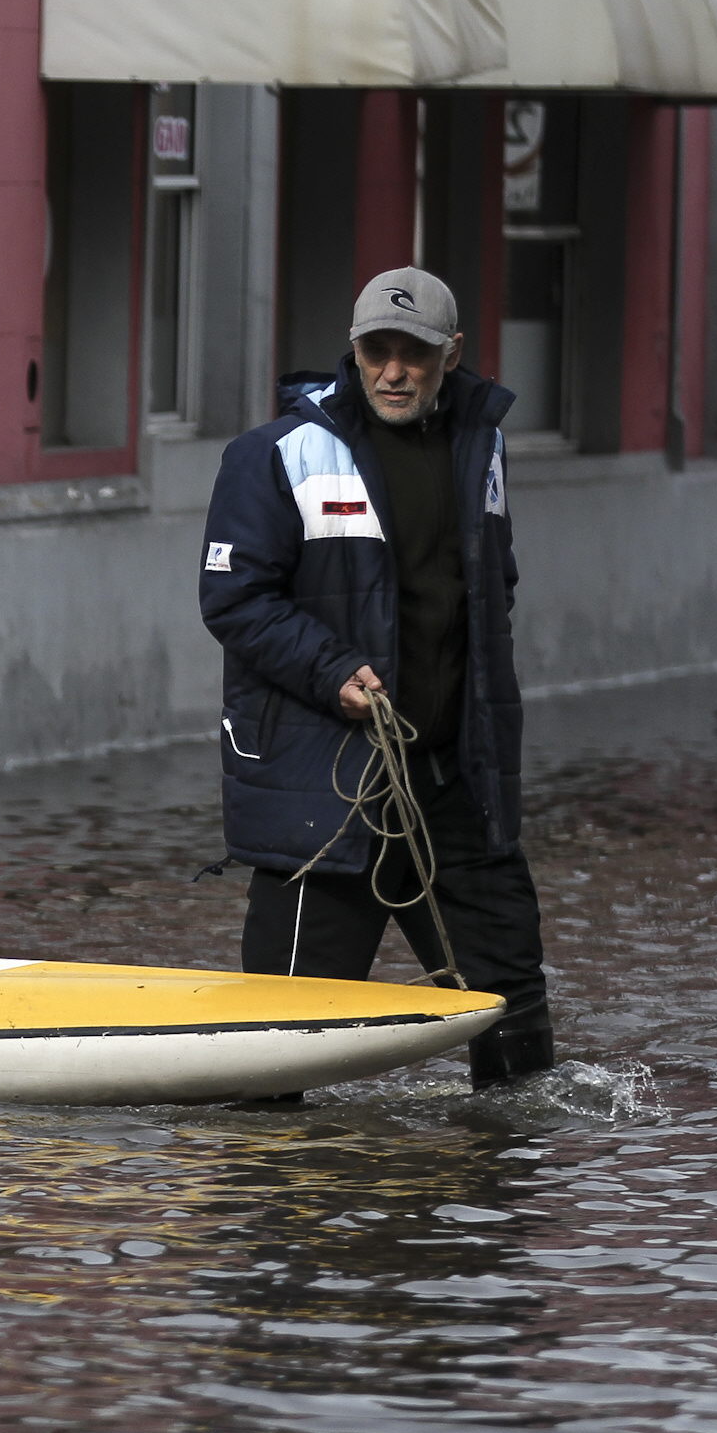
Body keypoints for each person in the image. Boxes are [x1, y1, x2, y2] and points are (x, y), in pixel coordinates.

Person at [199, 266, 555, 1084]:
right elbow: (233, 599)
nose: (394, 371)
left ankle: (501, 1201)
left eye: (415, 354)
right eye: (376, 351)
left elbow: (492, 589)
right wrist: (333, 671)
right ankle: (290, 1199)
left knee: (518, 1043)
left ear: (452, 353)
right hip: (326, 794)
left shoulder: (485, 446)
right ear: (353, 352)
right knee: (278, 1051)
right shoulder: (274, 455)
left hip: (457, 786)